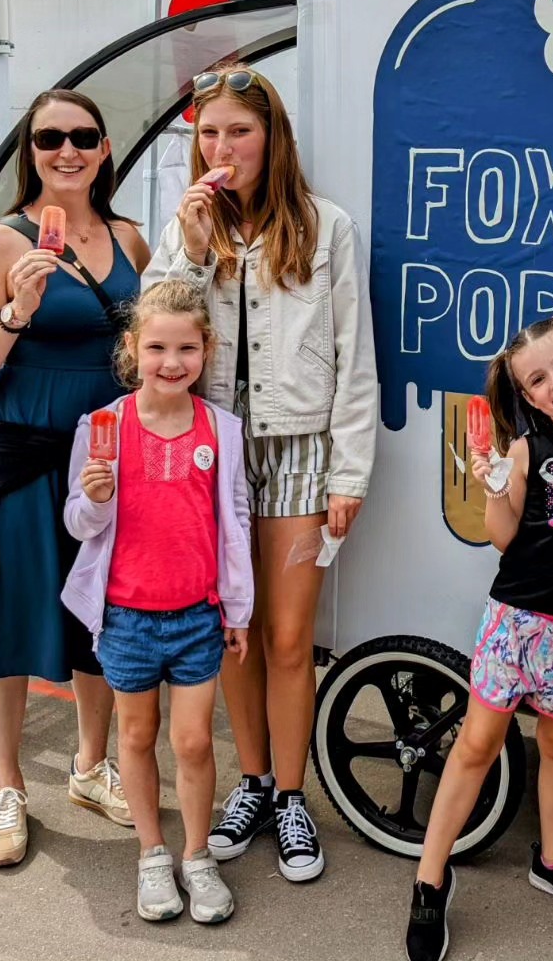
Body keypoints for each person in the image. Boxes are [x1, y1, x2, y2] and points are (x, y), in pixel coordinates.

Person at [145, 65, 377, 882]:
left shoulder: (324, 226)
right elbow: (156, 328)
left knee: (286, 636)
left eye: (239, 131)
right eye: (209, 133)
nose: (222, 148)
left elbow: (355, 356)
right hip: (211, 450)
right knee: (232, 629)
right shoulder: (187, 228)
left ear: (272, 137)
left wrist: (350, 472)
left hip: (298, 447)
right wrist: (193, 250)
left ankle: (290, 793)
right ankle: (250, 782)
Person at [0, 89, 149, 867]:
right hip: (25, 456)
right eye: (49, 137)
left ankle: (91, 767)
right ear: (29, 151)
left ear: (104, 149)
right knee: (6, 618)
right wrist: (16, 312)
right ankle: (6, 784)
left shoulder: (129, 239)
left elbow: (152, 345)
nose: (67, 150)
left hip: (103, 461)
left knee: (101, 620)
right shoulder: (2, 242)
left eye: (83, 136)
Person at [406, 314, 553, 961]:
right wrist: (494, 489)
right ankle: (429, 879)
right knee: (476, 745)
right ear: (528, 397)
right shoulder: (526, 450)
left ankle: (552, 861)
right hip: (514, 620)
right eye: (536, 380)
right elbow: (504, 538)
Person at [62, 280, 253, 924]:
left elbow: (235, 523)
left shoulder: (222, 430)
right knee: (137, 736)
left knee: (194, 742)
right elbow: (78, 524)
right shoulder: (103, 427)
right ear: (132, 348)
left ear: (207, 350)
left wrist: (238, 610)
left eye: (186, 349)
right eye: (157, 348)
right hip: (126, 618)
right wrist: (96, 498)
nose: (172, 362)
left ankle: (197, 854)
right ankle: (151, 852)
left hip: (198, 616)